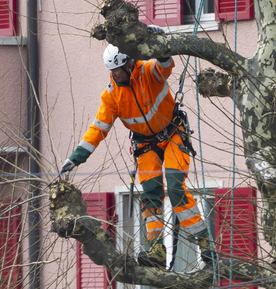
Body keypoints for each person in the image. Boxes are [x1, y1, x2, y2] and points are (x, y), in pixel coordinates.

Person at [60, 39, 214, 268]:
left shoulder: (148, 72)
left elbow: (165, 66)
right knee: (151, 193)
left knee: (174, 186)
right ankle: (156, 249)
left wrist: (160, 46)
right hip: (145, 144)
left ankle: (205, 244)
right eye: (110, 71)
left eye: (116, 70)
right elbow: (99, 128)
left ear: (129, 64)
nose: (113, 75)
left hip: (172, 134)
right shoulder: (111, 95)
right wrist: (76, 157)